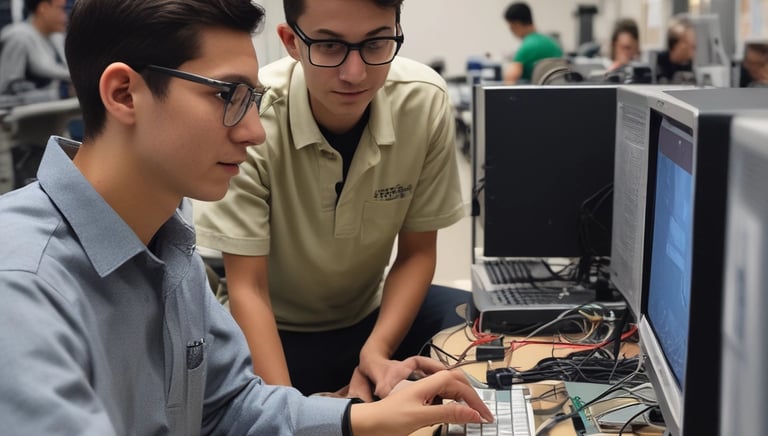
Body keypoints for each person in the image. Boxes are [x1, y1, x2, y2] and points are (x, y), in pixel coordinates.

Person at [0, 0, 494, 434]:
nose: (256, 133)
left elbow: (234, 406)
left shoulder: (171, 253)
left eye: (252, 98)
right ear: (125, 94)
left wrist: (362, 419)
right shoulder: (20, 284)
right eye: (226, 95)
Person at [192, 0, 471, 399]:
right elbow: (248, 289)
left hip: (369, 316)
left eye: (376, 44)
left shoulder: (423, 101)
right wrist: (289, 415)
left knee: (481, 323)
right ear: (291, 41)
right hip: (275, 327)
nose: (354, 73)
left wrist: (376, 353)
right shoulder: (251, 116)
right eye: (328, 47)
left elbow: (417, 254)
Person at [0, 0, 70, 97]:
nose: (65, 15)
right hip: (32, 111)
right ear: (43, 8)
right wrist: (61, 93)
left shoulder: (57, 37)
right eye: (61, 8)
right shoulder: (18, 37)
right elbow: (6, 96)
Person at [501, 2, 562, 83]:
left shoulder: (526, 47)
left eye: (511, 28)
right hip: (557, 93)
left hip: (533, 95)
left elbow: (510, 80)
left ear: (516, 24)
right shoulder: (554, 44)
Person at [655, 14, 696, 84]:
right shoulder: (660, 61)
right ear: (675, 44)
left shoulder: (691, 65)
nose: (691, 50)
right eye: (687, 42)